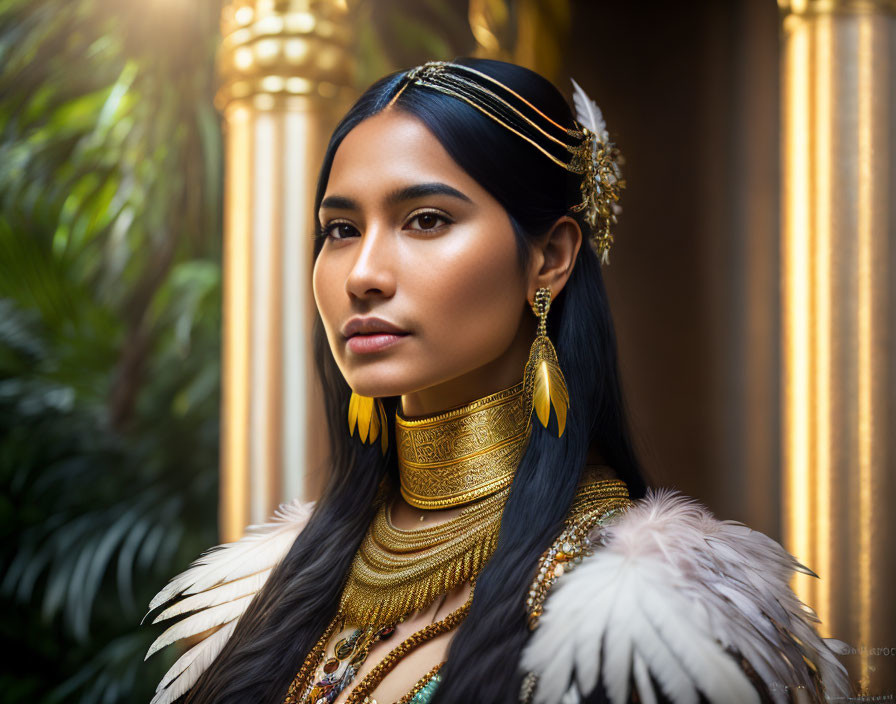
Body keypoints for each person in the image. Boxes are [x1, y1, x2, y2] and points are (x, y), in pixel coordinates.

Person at [143, 58, 852, 704]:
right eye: (340, 230)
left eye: (424, 220)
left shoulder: (645, 621)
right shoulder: (265, 594)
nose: (362, 275)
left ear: (550, 258)